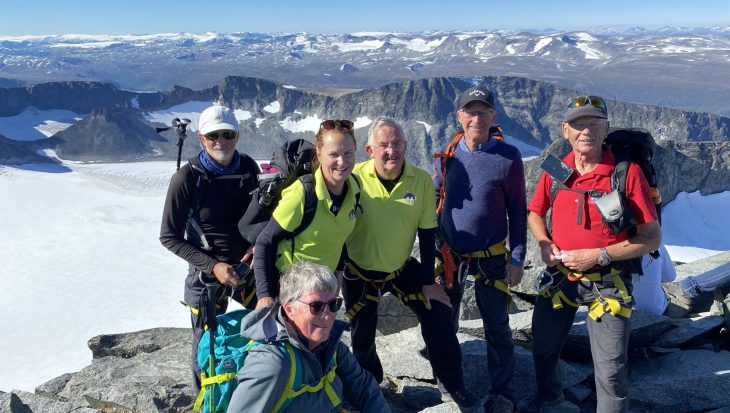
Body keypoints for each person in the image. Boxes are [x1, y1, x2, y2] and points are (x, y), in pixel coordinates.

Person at [524, 95, 661, 413]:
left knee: (611, 373)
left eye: (594, 124)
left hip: (608, 283)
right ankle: (550, 400)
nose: (585, 130)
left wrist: (599, 255)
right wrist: (545, 243)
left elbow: (651, 238)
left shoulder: (625, 174)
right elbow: (534, 212)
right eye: (578, 124)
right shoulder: (557, 169)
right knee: (543, 350)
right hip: (561, 278)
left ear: (606, 129)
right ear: (565, 131)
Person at [343, 117, 480, 409]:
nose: (391, 151)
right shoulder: (353, 179)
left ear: (406, 146)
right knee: (362, 335)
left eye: (397, 144)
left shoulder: (420, 181)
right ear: (370, 150)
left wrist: (429, 283)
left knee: (439, 314)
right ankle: (372, 387)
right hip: (359, 272)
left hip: (400, 266)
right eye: (384, 145)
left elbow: (426, 233)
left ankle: (452, 385)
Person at [433, 85, 527, 409]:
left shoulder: (509, 158)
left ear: (493, 116)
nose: (477, 118)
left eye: (483, 111)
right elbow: (436, 194)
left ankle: (502, 393)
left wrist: (517, 258)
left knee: (497, 326)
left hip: (490, 255)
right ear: (459, 116)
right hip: (450, 254)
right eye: (470, 111)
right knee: (446, 322)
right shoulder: (449, 152)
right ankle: (450, 386)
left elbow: (517, 209)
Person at [159, 105, 260, 389]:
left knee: (270, 327)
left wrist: (255, 245)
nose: (221, 141)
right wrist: (214, 266)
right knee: (204, 347)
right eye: (213, 135)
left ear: (237, 136)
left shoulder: (249, 169)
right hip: (206, 277)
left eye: (227, 134)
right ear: (202, 139)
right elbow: (169, 236)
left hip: (246, 270)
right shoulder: (187, 179)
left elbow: (261, 216)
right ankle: (205, 401)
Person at [227, 261, 391, 413]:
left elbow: (363, 386)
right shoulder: (273, 363)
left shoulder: (331, 345)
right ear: (289, 310)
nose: (327, 315)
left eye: (334, 304)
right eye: (316, 306)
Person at [254, 119, 359, 308]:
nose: (342, 161)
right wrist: (264, 296)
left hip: (324, 291)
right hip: (292, 293)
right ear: (319, 153)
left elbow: (338, 236)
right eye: (333, 154)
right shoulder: (302, 194)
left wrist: (339, 272)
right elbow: (264, 242)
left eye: (348, 153)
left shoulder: (354, 189)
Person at [632, 243, 676, 315]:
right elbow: (670, 276)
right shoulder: (655, 242)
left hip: (622, 311)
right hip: (657, 310)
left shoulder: (612, 249)